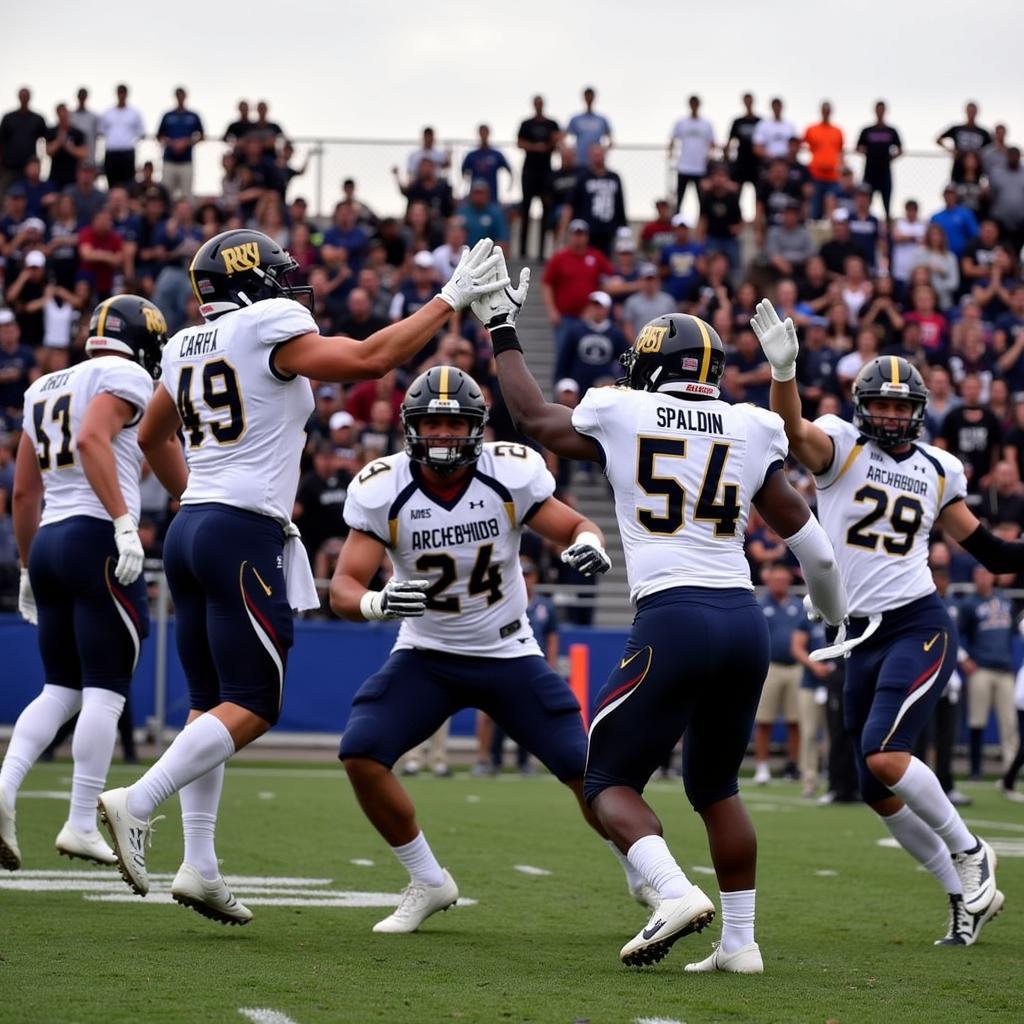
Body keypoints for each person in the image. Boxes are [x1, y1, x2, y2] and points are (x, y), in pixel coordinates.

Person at [96, 231, 509, 923]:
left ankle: (200, 866)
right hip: (239, 530)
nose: (290, 287)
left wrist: (199, 492)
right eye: (279, 275)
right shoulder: (268, 327)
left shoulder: (186, 344)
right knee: (255, 703)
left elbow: (151, 436)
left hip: (192, 525)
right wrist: (448, 301)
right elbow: (373, 359)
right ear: (250, 281)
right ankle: (137, 801)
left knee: (211, 704)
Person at [483, 262, 848, 974]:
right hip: (742, 620)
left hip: (673, 615)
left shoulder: (622, 408)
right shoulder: (749, 425)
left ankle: (675, 892)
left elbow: (530, 418)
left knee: (607, 782)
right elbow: (815, 550)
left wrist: (501, 327)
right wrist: (831, 617)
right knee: (717, 788)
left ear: (649, 366)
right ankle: (741, 946)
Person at [331, 364, 652, 934]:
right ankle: (427, 879)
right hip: (427, 651)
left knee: (587, 770)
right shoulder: (383, 486)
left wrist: (587, 542)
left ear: (477, 428)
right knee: (361, 750)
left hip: (508, 651)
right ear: (411, 427)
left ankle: (639, 871)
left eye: (455, 425)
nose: (443, 436)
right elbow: (343, 588)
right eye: (432, 424)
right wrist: (377, 603)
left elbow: (578, 523)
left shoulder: (510, 473)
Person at [752, 301, 1014, 945]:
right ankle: (961, 896)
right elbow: (790, 431)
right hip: (856, 635)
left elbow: (991, 552)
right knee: (874, 785)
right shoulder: (840, 445)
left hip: (918, 624)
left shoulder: (938, 469)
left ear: (919, 410)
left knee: (887, 755)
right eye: (885, 405)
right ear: (865, 405)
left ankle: (973, 850)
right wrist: (783, 371)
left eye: (904, 406)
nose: (894, 415)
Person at [1, 296, 167, 872]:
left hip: (49, 540)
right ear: (144, 341)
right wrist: (125, 522)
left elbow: (23, 492)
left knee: (60, 689)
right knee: (105, 688)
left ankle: (4, 786)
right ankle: (78, 821)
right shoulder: (124, 374)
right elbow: (94, 439)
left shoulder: (44, 385)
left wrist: (27, 565)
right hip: (96, 539)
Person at [752, 563, 805, 785]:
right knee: (765, 720)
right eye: (776, 579)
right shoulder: (761, 605)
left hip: (795, 666)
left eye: (784, 580)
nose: (780, 583)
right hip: (771, 666)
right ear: (769, 581)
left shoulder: (798, 605)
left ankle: (793, 765)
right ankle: (762, 766)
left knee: (796, 720)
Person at [516, 96, 560, 260]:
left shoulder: (551, 124)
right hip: (529, 172)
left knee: (546, 211)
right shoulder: (526, 124)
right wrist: (536, 147)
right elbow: (520, 143)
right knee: (525, 210)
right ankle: (522, 251)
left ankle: (542, 253)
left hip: (546, 173)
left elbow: (557, 141)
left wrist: (551, 144)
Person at [856, 101, 903, 221]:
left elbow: (900, 149)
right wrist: (867, 152)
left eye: (882, 109)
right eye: (878, 109)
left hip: (885, 172)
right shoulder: (867, 130)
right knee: (865, 202)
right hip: (870, 172)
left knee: (887, 205)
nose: (880, 112)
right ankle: (865, 223)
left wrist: (891, 157)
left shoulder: (891, 131)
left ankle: (887, 225)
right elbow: (858, 147)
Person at [156, 88, 205, 202]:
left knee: (187, 195)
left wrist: (187, 142)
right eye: (178, 95)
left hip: (186, 161)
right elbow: (159, 136)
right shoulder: (167, 115)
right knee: (167, 194)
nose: (180, 97)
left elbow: (202, 136)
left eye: (182, 95)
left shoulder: (193, 116)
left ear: (185, 96)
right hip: (169, 160)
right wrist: (171, 143)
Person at [668, 95, 715, 213]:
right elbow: (673, 139)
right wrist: (671, 154)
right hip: (684, 167)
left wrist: (709, 157)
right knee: (679, 199)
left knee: (702, 200)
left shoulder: (706, 124)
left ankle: (702, 225)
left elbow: (712, 143)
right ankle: (677, 222)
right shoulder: (681, 122)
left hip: (700, 168)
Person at [98, 85, 144, 189]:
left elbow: (141, 133)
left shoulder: (134, 113)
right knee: (111, 185)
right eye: (120, 92)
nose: (121, 95)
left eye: (123, 92)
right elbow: (101, 132)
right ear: (116, 94)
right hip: (111, 153)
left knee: (128, 185)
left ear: (127, 94)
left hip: (127, 153)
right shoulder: (108, 112)